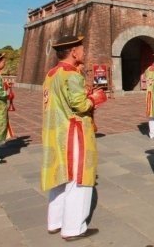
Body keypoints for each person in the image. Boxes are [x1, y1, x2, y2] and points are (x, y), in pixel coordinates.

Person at [41, 35, 105, 241]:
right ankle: (73, 228)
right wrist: (95, 98)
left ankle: (55, 221)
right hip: (74, 133)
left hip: (56, 132)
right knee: (79, 178)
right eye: (81, 49)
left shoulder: (51, 74)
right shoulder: (71, 75)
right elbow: (81, 105)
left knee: (60, 177)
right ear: (74, 52)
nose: (84, 52)